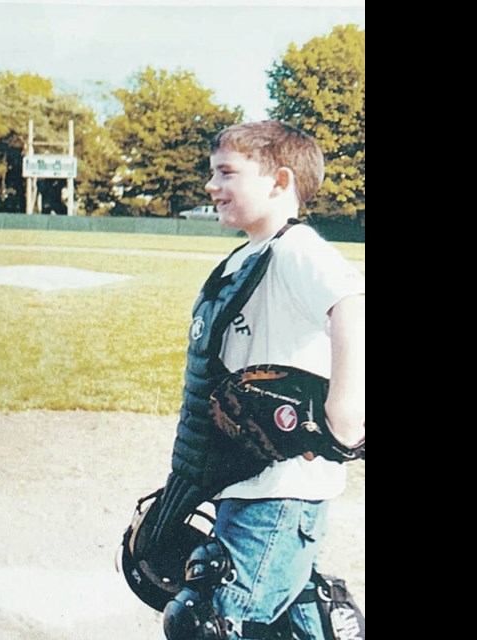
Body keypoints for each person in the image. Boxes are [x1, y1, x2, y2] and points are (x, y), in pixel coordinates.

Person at [159, 121, 365, 639]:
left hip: (278, 490)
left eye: (227, 172)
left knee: (213, 623)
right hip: (248, 482)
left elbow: (353, 306)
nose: (212, 185)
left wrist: (344, 416)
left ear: (279, 181)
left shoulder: (297, 249)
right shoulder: (248, 256)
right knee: (287, 621)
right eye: (212, 173)